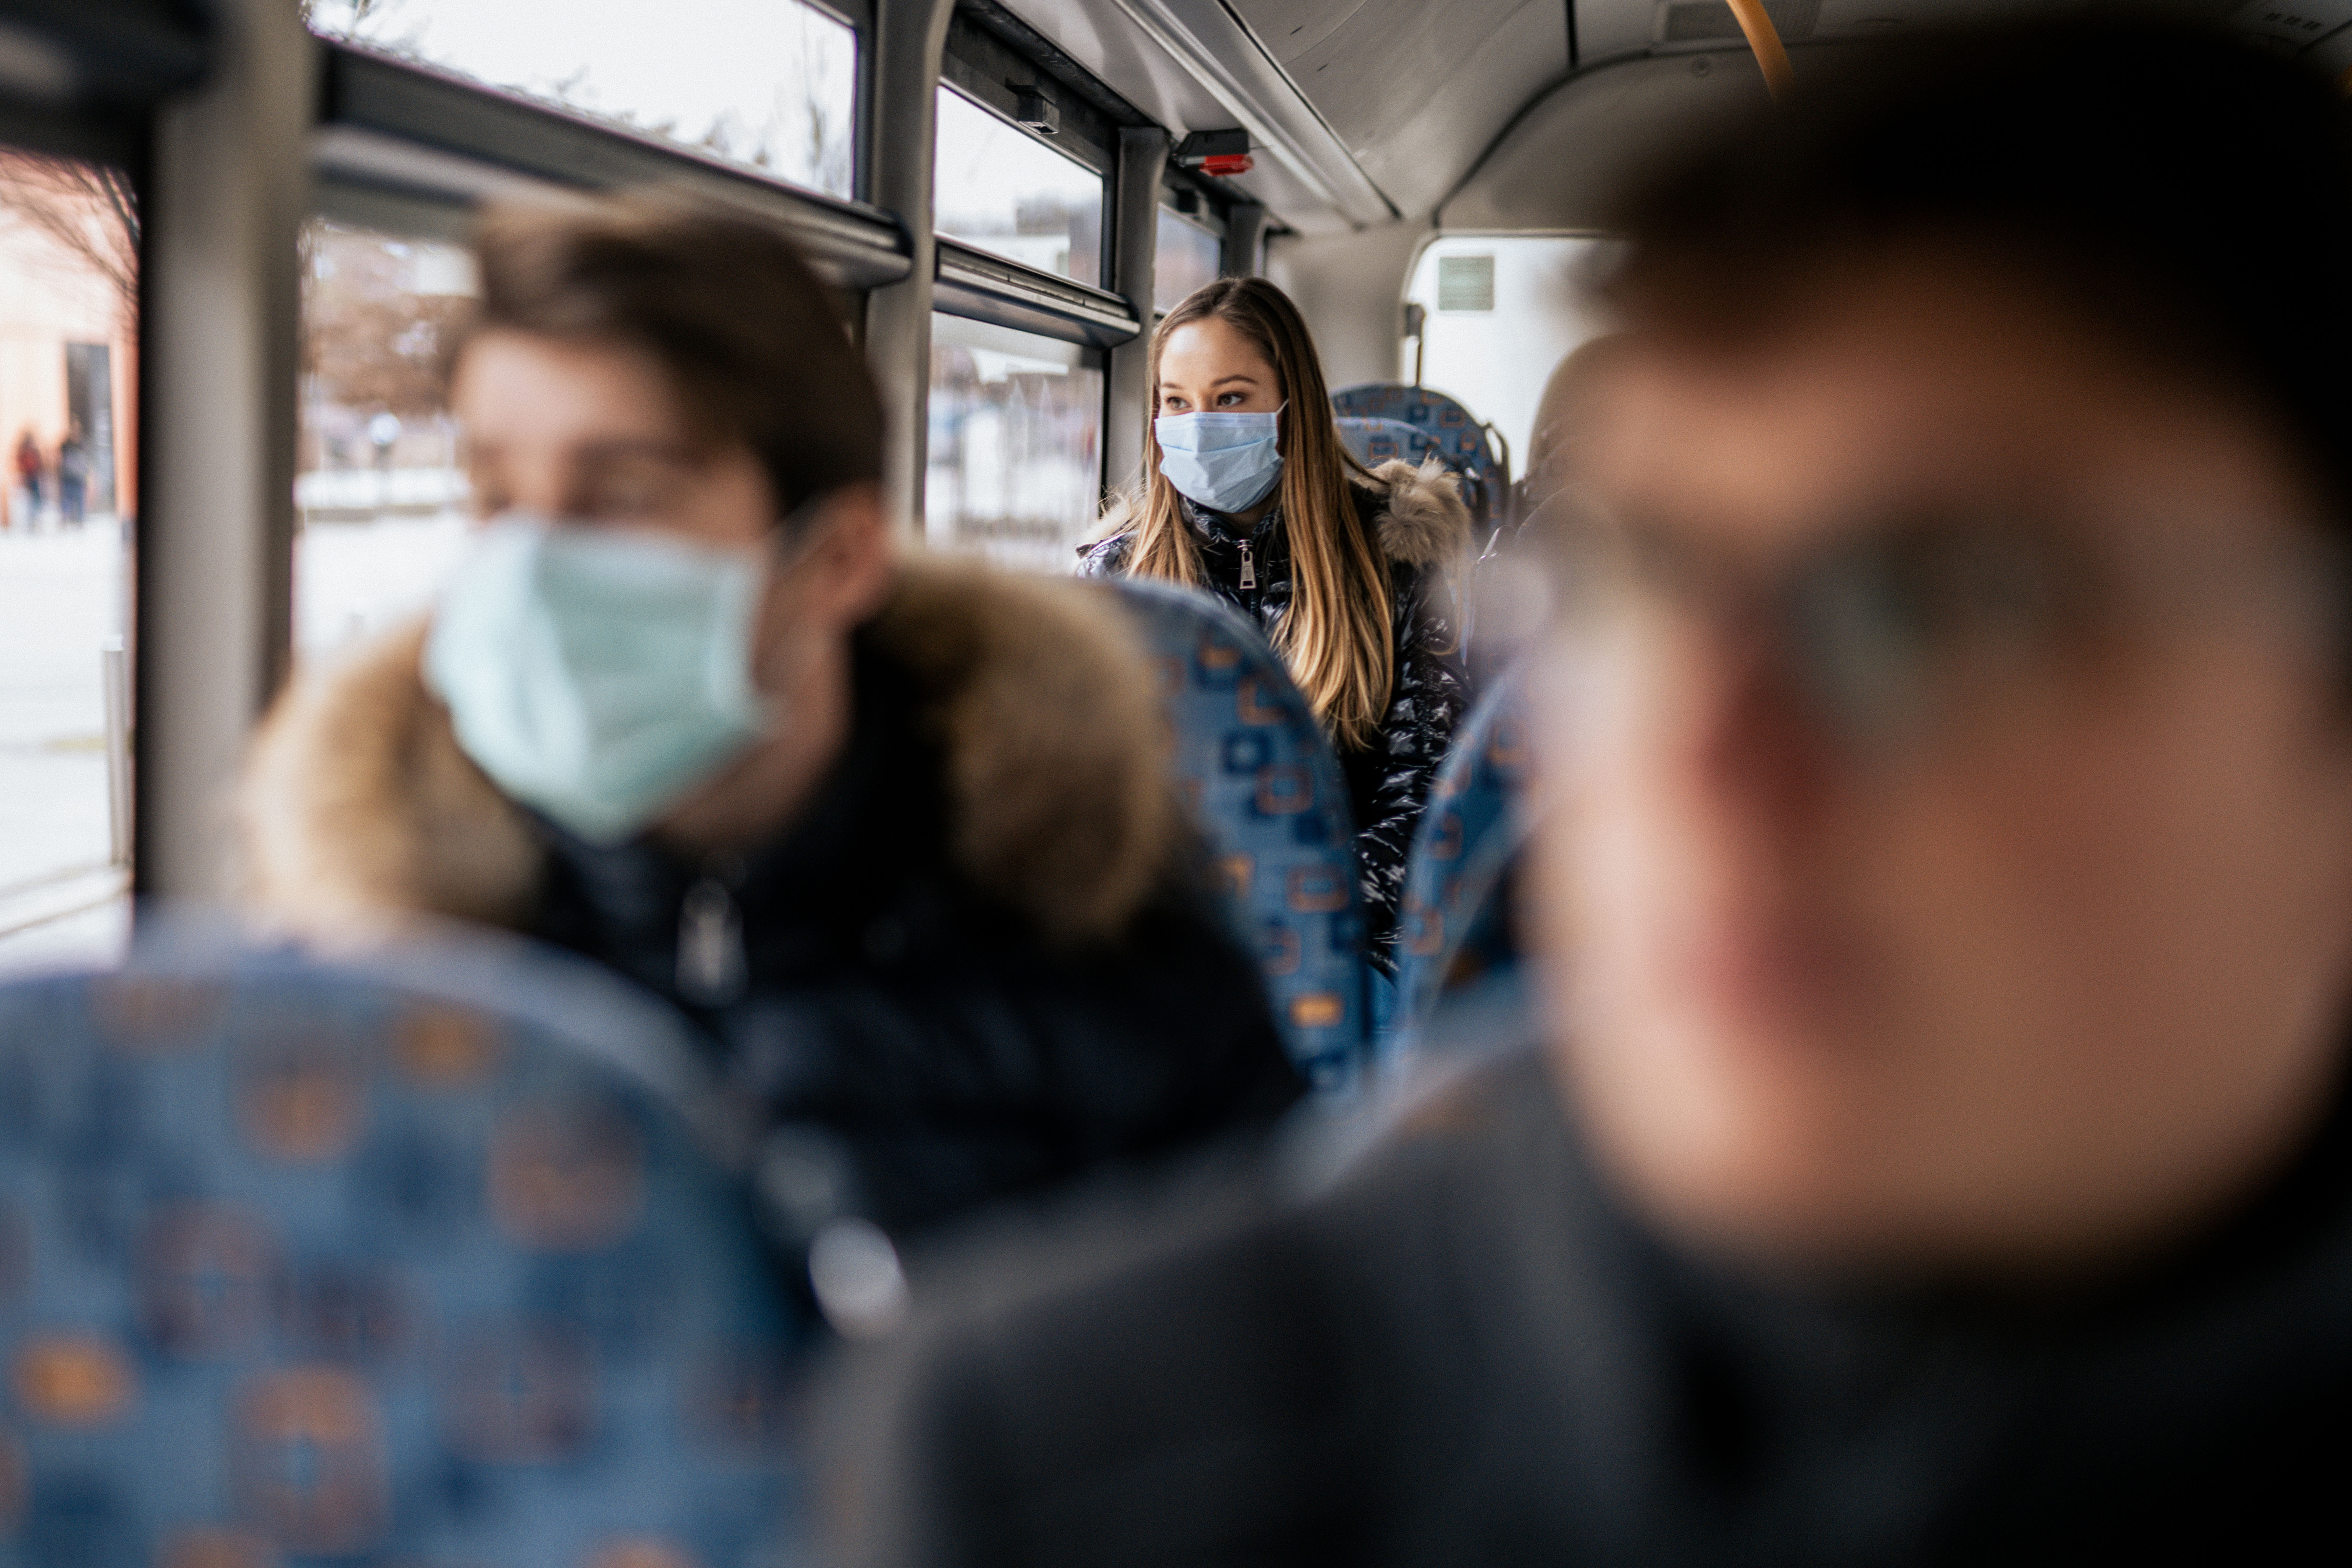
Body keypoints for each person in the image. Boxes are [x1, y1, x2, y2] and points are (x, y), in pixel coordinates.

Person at [829, 18, 2352, 1560]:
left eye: (1955, 604)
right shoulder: (1067, 1466)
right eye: (1647, 583)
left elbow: (1414, 817)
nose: (1705, 752)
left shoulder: (1386, 566)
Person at [239, 197, 1301, 1247]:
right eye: (496, 495)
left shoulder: (1111, 960)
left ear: (835, 557)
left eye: (623, 493)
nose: (532, 562)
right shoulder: (365, 971)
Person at [1079, 278, 1472, 988]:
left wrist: (1285, 915)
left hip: (1351, 942)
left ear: (1291, 409)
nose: (1200, 424)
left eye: (1230, 398)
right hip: (1159, 948)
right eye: (1177, 402)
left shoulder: (1394, 561)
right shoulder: (1115, 584)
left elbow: (1426, 801)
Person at [55, 424, 87, 526]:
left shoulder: (77, 445)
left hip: (76, 478)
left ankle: (78, 520)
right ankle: (68, 519)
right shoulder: (67, 446)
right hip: (70, 478)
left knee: (76, 500)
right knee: (68, 500)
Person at [14, 428, 43, 525]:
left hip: (33, 476)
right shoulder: (24, 450)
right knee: (29, 499)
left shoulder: (32, 450)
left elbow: (39, 462)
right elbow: (20, 462)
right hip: (27, 476)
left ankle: (35, 519)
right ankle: (31, 519)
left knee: (35, 498)